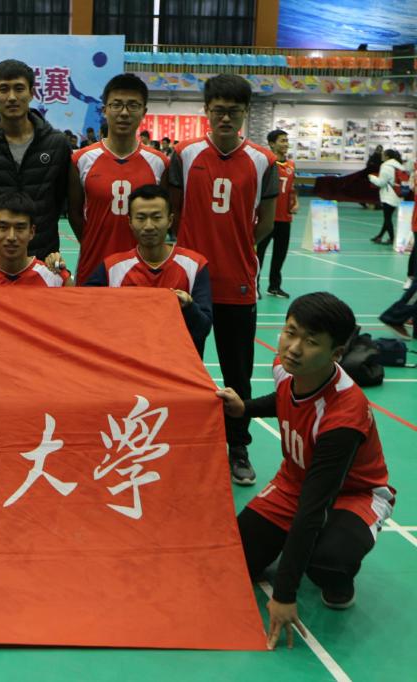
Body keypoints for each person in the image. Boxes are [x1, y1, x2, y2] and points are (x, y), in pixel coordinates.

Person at [217, 292, 394, 649]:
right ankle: (297, 543)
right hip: (294, 483)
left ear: (336, 353)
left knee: (327, 562)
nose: (294, 348)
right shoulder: (287, 368)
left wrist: (284, 594)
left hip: (354, 494)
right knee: (236, 560)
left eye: (311, 342)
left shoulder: (342, 417)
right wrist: (244, 408)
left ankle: (338, 574)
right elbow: (285, 398)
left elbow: (313, 507)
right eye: (290, 332)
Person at [168, 73, 278, 487]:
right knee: (185, 370)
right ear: (207, 112)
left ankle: (238, 446)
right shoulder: (184, 154)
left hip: (238, 283)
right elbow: (174, 214)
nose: (225, 118)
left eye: (234, 111)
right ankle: (186, 443)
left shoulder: (263, 160)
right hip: (189, 285)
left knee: (238, 374)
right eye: (218, 111)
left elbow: (265, 223)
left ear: (245, 112)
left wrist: (237, 247)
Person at [0, 59, 70, 265]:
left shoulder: (57, 145)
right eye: (3, 89)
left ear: (31, 93)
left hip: (43, 261)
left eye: (19, 89)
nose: (11, 97)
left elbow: (59, 200)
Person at [84, 184, 212, 355]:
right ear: (130, 222)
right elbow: (84, 312)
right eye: (141, 218)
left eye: (157, 217)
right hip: (130, 364)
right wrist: (63, 276)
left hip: (177, 366)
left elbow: (203, 329)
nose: (149, 226)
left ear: (170, 220)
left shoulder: (194, 266)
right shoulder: (111, 268)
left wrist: (188, 307)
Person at [69, 73, 168, 285]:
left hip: (142, 273)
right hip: (94, 267)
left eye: (133, 105)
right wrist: (92, 242)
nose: (124, 113)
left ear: (144, 112)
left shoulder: (160, 163)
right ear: (104, 110)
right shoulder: (80, 160)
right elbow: (74, 213)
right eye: (116, 105)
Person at [0, 192, 71, 287]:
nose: (11, 237)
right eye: (3, 227)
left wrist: (65, 279)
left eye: (20, 228)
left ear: (31, 232)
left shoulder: (55, 280)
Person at [257, 129, 298, 299]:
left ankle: (274, 286)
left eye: (287, 140)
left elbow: (291, 188)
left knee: (280, 254)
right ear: (272, 144)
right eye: (282, 140)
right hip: (266, 217)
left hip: (284, 218)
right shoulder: (266, 163)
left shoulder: (291, 165)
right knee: (258, 254)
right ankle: (254, 285)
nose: (286, 144)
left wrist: (295, 202)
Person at [368, 149, 406, 244]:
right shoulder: (399, 166)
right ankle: (379, 236)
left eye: (383, 154)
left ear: (387, 156)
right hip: (397, 195)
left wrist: (372, 178)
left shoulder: (386, 166)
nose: (382, 156)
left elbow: (381, 182)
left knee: (387, 219)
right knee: (387, 218)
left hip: (389, 196)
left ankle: (392, 239)